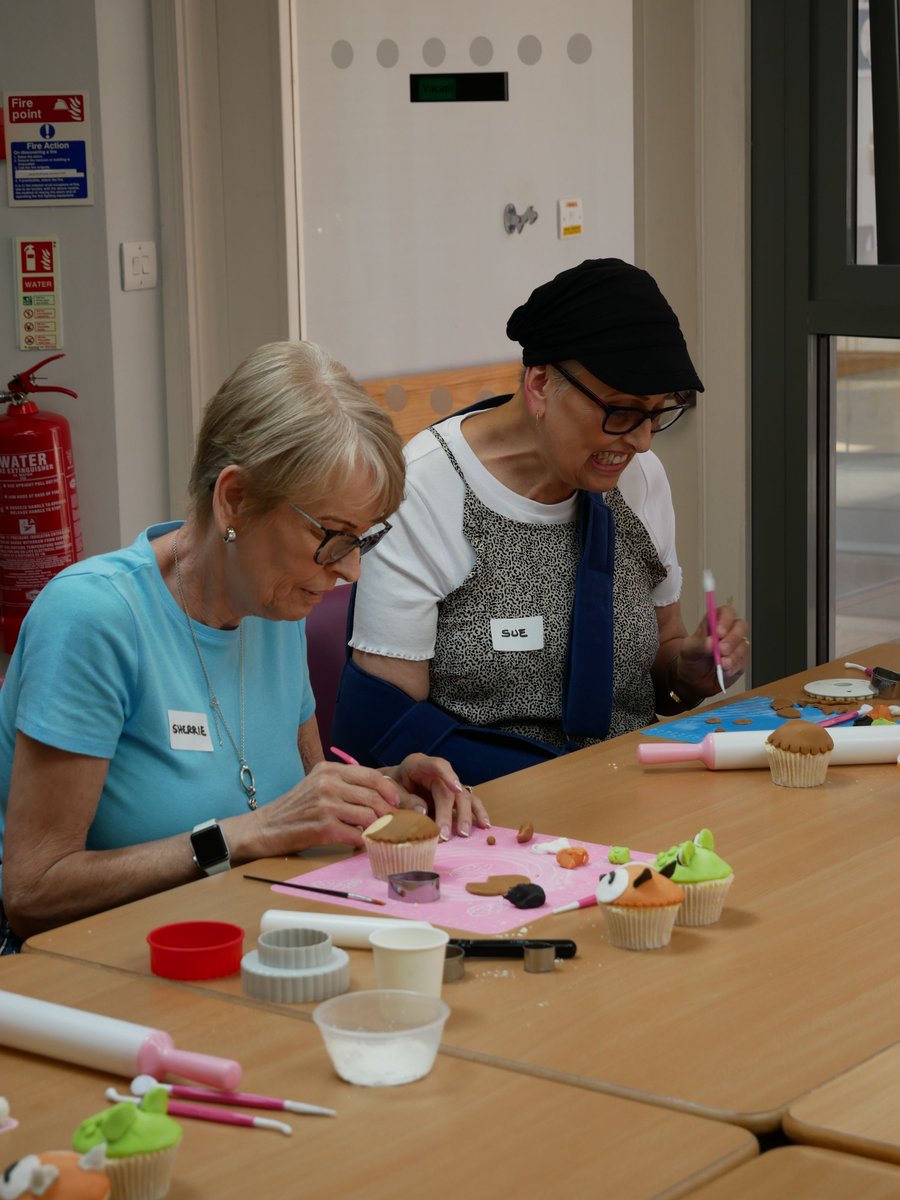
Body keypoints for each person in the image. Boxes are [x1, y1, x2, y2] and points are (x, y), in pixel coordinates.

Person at [0, 340, 488, 950]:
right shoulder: (93, 619)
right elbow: (32, 894)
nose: (350, 572)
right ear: (234, 499)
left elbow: (303, 797)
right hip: (98, 974)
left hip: (247, 940)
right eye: (333, 537)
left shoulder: (275, 606)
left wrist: (390, 788)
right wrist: (239, 837)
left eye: (365, 539)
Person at [333, 258, 750, 783]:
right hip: (489, 816)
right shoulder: (424, 491)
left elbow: (660, 675)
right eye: (619, 412)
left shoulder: (639, 479)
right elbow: (383, 736)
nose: (641, 441)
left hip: (631, 796)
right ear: (539, 384)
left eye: (655, 413)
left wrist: (689, 672)